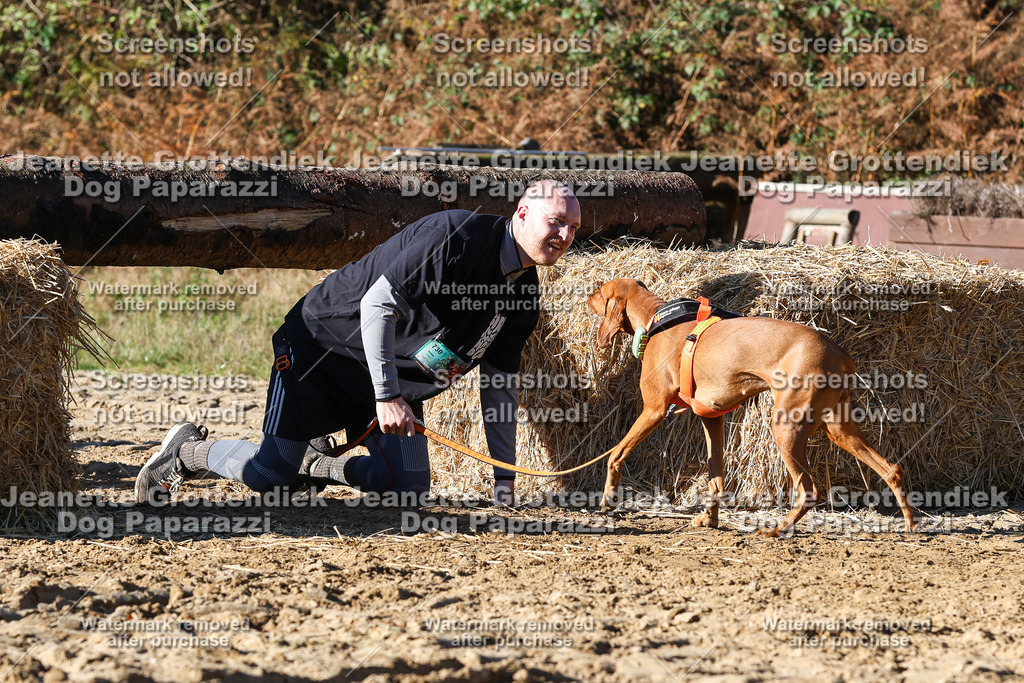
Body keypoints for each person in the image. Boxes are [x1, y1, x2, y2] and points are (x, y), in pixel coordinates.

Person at [135, 179, 581, 505]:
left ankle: (317, 465)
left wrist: (505, 481)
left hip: (383, 380)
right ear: (521, 214)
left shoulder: (522, 296)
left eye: (574, 229)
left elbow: (498, 386)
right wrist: (387, 396)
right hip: (321, 346)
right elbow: (376, 307)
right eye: (556, 221)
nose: (564, 236)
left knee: (407, 490)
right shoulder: (453, 237)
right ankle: (187, 452)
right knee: (270, 475)